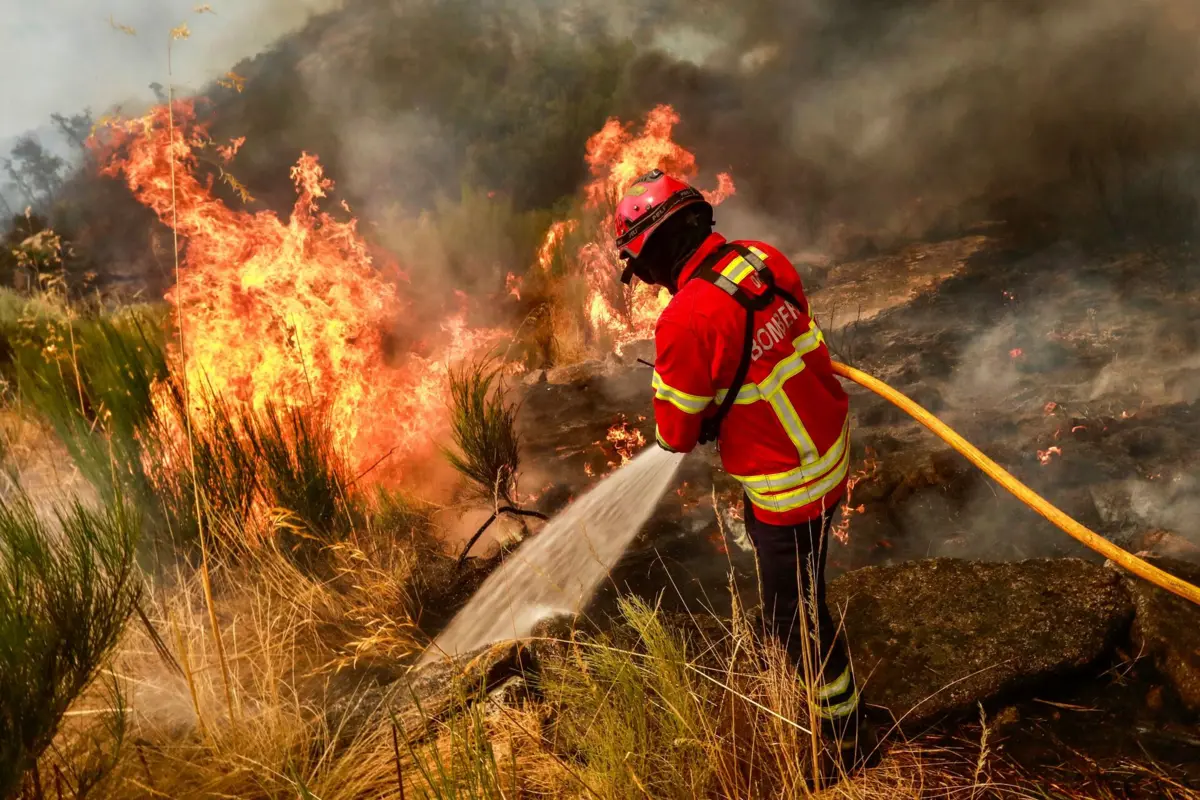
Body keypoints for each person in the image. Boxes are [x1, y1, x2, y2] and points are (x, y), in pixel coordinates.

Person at [612, 169, 864, 765]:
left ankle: (844, 739)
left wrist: (693, 402)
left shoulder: (684, 320)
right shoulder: (761, 258)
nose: (645, 279)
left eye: (640, 266)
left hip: (789, 485)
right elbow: (786, 335)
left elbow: (675, 434)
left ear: (654, 252)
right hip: (828, 447)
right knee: (799, 587)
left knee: (795, 620)